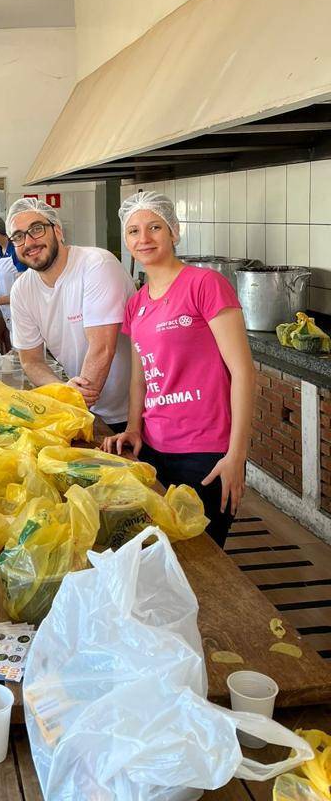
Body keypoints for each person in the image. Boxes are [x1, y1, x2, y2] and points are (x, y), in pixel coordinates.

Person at [102, 191, 255, 546]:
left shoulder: (205, 285)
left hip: (205, 453)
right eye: (134, 231)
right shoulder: (137, 302)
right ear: (126, 240)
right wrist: (133, 428)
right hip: (155, 450)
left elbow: (244, 372)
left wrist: (236, 455)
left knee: (204, 557)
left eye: (154, 227)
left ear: (173, 231)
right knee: (160, 554)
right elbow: (141, 377)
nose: (144, 238)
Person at [7, 197, 134, 430]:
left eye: (37, 229)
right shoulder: (22, 290)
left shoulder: (96, 264)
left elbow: (102, 348)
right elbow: (31, 360)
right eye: (18, 236)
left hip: (132, 413)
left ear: (57, 230)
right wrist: (64, 392)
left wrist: (75, 409)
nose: (29, 241)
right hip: (87, 412)